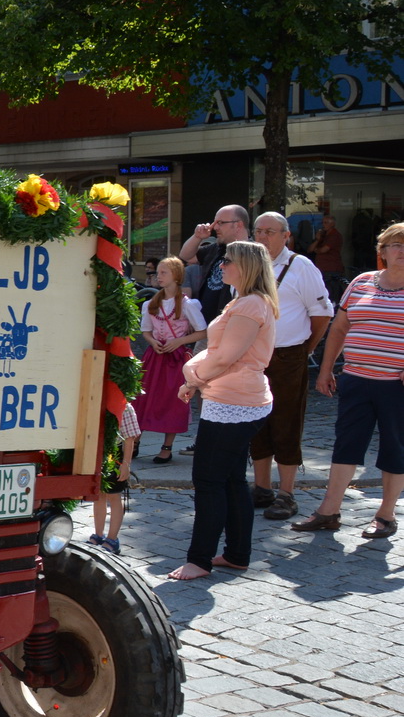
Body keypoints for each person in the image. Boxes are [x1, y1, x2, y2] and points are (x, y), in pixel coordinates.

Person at [168, 241, 278, 580]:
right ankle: (236, 554)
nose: (222, 266)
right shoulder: (247, 302)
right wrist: (196, 379)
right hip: (231, 401)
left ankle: (199, 559)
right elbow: (216, 350)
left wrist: (192, 375)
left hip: (235, 404)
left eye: (227, 261)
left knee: (209, 480)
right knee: (230, 480)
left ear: (245, 265)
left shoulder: (249, 305)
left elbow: (223, 357)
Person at [289, 222, 404, 540]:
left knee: (395, 448)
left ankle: (386, 514)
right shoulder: (362, 282)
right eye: (396, 245)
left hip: (397, 385)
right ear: (383, 251)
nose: (402, 251)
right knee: (346, 445)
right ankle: (328, 511)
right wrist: (325, 371)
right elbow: (339, 328)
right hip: (355, 378)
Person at [248, 212, 333, 520]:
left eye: (270, 231)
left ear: (286, 235)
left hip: (287, 355)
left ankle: (287, 493)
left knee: (285, 422)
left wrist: (303, 350)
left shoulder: (301, 266)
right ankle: (261, 487)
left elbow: (322, 314)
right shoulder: (249, 263)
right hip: (253, 356)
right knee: (255, 423)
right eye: (258, 231)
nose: (262, 236)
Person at [133, 257, 206, 463]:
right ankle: (136, 440)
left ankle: (167, 446)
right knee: (144, 398)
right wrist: (152, 341)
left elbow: (202, 331)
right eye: (158, 272)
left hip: (174, 360)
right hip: (154, 357)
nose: (158, 276)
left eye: (164, 272)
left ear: (176, 275)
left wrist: (179, 341)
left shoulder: (187, 304)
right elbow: (145, 330)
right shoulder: (151, 303)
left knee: (172, 401)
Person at [179, 204, 251, 321]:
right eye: (215, 222)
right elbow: (185, 255)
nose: (215, 227)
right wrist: (197, 237)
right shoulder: (215, 248)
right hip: (205, 327)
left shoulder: (253, 253)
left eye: (221, 223)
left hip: (231, 324)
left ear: (238, 225)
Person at [89, 403, 140, 554]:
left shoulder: (125, 407)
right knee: (98, 495)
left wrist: (126, 464)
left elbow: (129, 439)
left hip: (115, 456)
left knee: (114, 496)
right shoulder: (97, 400)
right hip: (99, 453)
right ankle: (98, 534)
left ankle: (113, 538)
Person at [311, 213, 345, 293]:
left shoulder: (335, 235)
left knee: (331, 292)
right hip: (322, 268)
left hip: (331, 269)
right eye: (323, 222)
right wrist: (318, 240)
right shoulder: (324, 235)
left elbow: (323, 250)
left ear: (332, 224)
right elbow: (310, 249)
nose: (323, 225)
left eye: (326, 223)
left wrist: (317, 250)